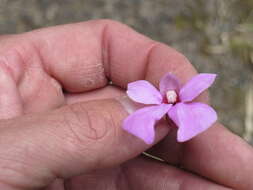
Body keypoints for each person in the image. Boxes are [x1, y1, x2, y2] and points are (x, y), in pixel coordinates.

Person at [0, 19, 252, 190]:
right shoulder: (144, 95)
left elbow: (200, 82)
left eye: (173, 93)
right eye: (169, 92)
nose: (171, 95)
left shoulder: (184, 92)